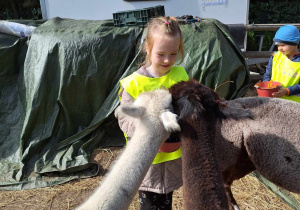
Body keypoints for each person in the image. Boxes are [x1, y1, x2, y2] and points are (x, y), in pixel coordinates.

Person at [117, 16, 189, 209]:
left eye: (174, 54)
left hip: (173, 156)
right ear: (148, 48)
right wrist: (150, 131)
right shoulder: (134, 83)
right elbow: (124, 118)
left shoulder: (180, 76)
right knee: (149, 204)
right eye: (161, 54)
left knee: (166, 201)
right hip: (146, 157)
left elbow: (187, 108)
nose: (168, 60)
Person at [263, 24, 300, 102]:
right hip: (274, 100)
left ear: (294, 43)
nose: (280, 48)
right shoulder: (275, 56)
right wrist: (266, 88)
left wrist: (287, 91)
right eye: (278, 45)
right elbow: (267, 74)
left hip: (294, 104)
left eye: (283, 45)